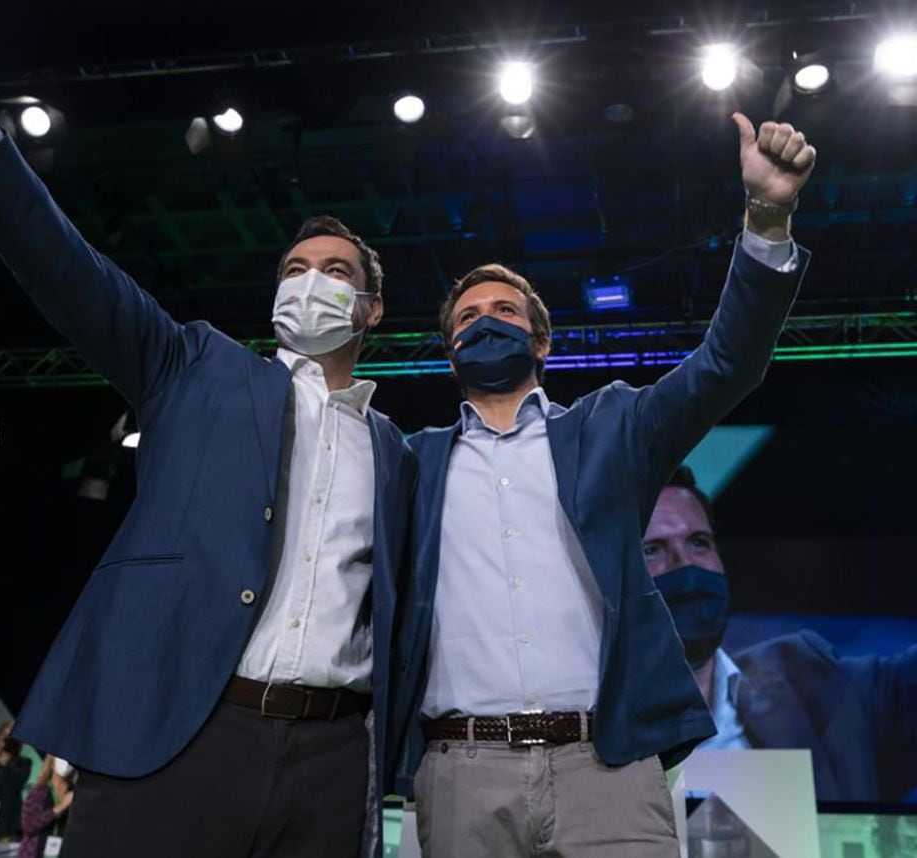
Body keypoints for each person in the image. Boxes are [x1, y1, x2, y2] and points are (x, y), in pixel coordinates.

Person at [0, 8, 414, 857]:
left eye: (335, 273)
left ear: (372, 308)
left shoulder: (398, 453)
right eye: (295, 269)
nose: (310, 282)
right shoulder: (192, 366)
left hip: (334, 757)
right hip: (179, 735)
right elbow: (66, 269)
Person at [389, 116, 815, 856]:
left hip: (607, 768)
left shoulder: (612, 428)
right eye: (467, 318)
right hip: (459, 772)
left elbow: (727, 366)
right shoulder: (408, 461)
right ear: (450, 349)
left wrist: (768, 219)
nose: (484, 324)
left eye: (504, 312)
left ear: (542, 340)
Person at [644, 465, 917, 802]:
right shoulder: (580, 732)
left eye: (699, 543)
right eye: (651, 550)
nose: (686, 565)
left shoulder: (813, 682)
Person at [18, 755, 76, 858]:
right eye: (58, 777)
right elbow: (28, 826)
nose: (60, 783)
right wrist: (57, 809)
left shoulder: (74, 794)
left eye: (65, 779)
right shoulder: (39, 792)